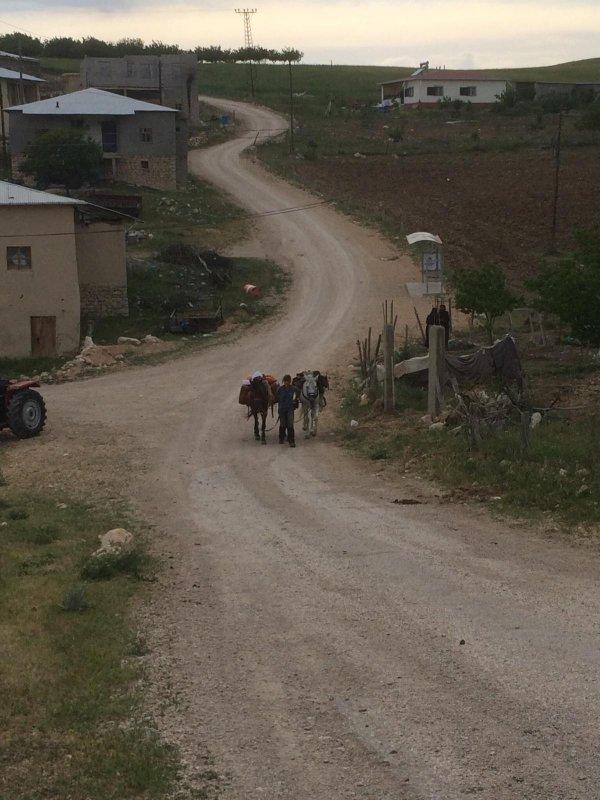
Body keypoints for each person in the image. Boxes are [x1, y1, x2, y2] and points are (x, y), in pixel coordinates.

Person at [277, 374, 299, 448]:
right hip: (282, 409)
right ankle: (281, 438)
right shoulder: (280, 389)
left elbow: (298, 394)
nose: (287, 382)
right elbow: (276, 398)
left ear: (290, 381)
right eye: (285, 381)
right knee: (282, 424)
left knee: (290, 425)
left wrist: (296, 400)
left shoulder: (294, 389)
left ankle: (291, 441)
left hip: (290, 409)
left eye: (288, 381)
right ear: (284, 381)